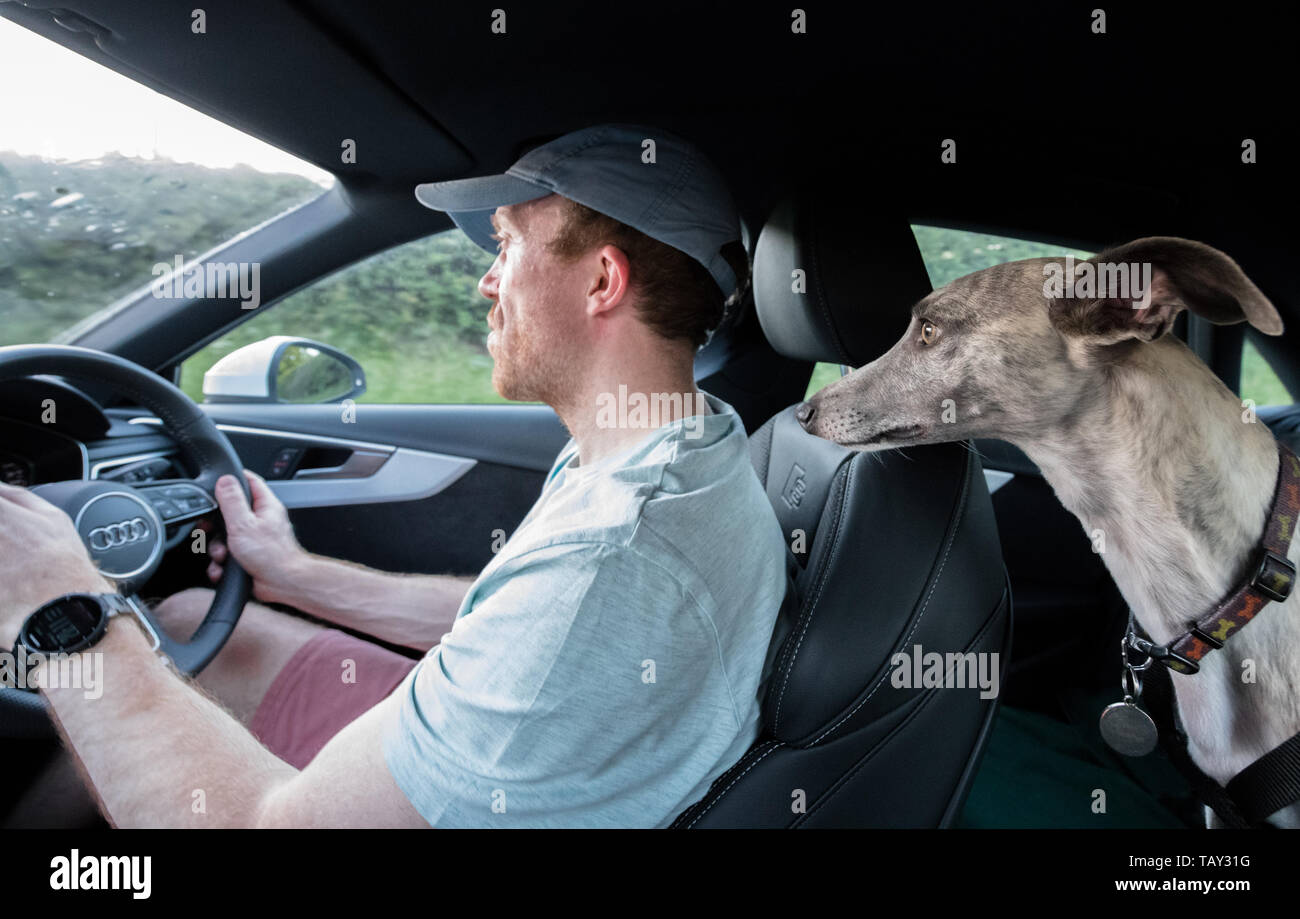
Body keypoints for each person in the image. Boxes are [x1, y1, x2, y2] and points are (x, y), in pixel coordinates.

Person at [0, 124, 789, 827]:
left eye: (509, 245)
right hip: (521, 759)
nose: (487, 281)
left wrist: (63, 611)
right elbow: (499, 619)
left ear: (601, 281)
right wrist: (296, 574)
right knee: (190, 621)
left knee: (123, 682)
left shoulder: (614, 555)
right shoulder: (681, 441)